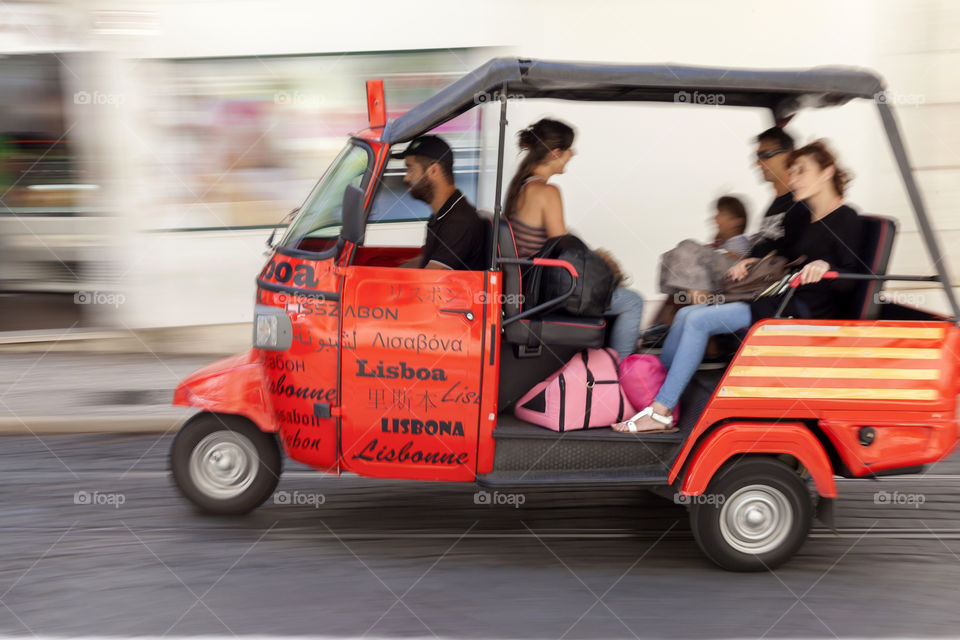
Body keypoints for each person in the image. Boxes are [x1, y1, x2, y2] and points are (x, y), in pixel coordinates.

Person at [613, 140, 861, 434]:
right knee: (685, 315)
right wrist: (752, 259)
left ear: (826, 172)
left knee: (699, 319)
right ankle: (657, 392)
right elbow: (783, 249)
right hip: (782, 300)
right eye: (791, 171)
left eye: (801, 171)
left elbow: (853, 278)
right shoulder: (803, 217)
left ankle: (662, 411)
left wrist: (825, 268)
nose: (792, 179)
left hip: (805, 312)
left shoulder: (847, 219)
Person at [504, 118, 645, 359]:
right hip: (543, 294)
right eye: (570, 148)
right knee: (632, 301)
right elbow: (565, 249)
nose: (573, 153)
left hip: (530, 286)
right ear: (555, 153)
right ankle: (617, 376)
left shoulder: (521, 187)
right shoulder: (547, 192)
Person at [395, 135, 486, 270]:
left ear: (433, 170)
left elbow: (431, 278)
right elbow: (426, 261)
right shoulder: (442, 214)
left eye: (411, 169)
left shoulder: (459, 222)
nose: (406, 177)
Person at [657, 195, 750, 311]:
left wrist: (714, 253)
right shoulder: (724, 244)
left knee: (687, 248)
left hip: (730, 279)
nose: (715, 219)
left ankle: (698, 311)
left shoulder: (740, 242)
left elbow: (740, 262)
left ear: (737, 222)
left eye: (721, 214)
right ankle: (671, 313)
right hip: (716, 281)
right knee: (671, 256)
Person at [748, 127, 810, 258]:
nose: (757, 163)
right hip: (751, 271)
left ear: (789, 155)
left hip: (770, 276)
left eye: (765, 155)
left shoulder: (802, 205)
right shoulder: (775, 205)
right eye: (757, 156)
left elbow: (795, 258)